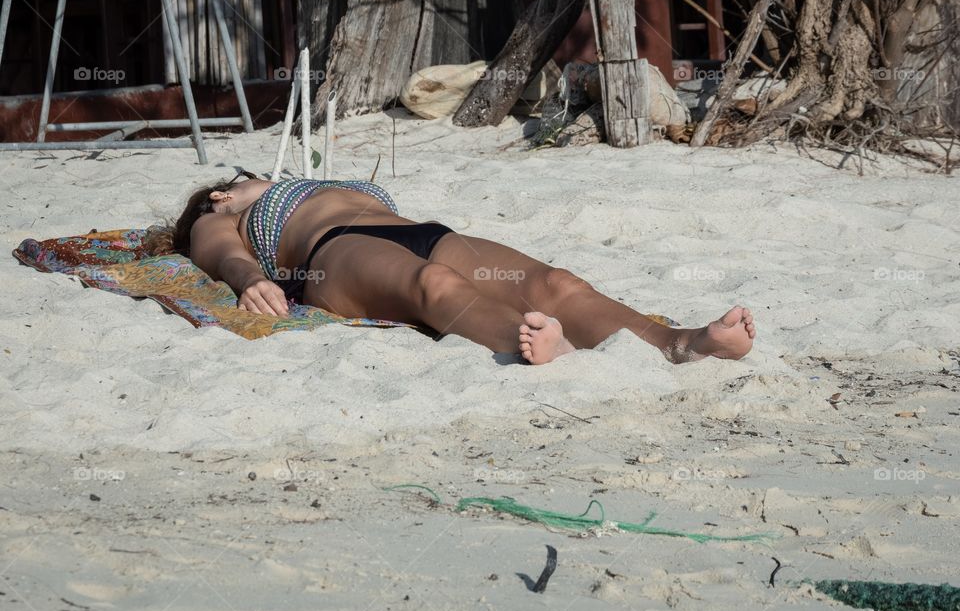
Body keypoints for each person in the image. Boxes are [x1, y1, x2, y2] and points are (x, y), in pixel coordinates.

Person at [144, 172, 756, 364]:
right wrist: (252, 279)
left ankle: (678, 343)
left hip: (423, 232)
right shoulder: (220, 215)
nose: (260, 175)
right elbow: (221, 256)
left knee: (555, 283)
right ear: (223, 193)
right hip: (334, 254)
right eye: (244, 176)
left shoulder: (310, 179)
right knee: (434, 286)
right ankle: (536, 345)